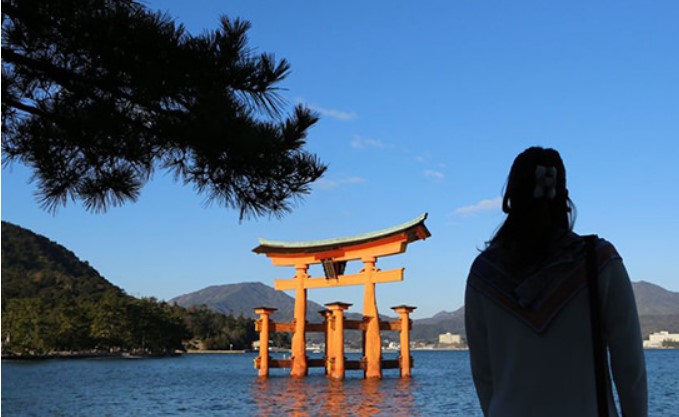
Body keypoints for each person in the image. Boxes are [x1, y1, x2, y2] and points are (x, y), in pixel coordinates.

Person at [465, 146, 647, 417]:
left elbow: (484, 375)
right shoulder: (599, 262)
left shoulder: (483, 274)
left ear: (511, 197)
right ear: (564, 196)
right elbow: (630, 369)